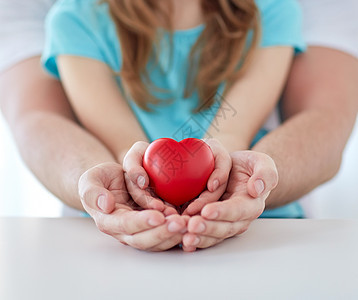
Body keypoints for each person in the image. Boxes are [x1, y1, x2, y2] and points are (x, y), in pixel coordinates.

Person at [0, 0, 357, 252]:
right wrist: (142, 191)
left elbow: (228, 133)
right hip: (118, 238)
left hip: (261, 230)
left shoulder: (274, 12)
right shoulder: (74, 20)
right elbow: (127, 148)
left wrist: (224, 180)